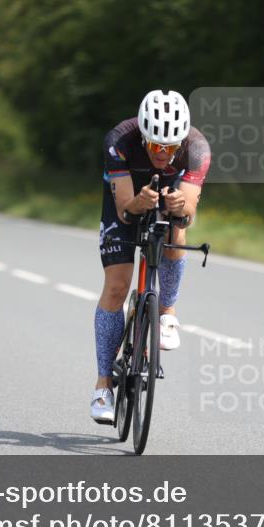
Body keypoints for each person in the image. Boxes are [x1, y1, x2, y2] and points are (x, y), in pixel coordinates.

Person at [90, 90, 211, 423]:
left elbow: (187, 212)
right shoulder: (119, 141)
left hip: (170, 193)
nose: (164, 153)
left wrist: (178, 208)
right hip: (128, 195)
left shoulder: (197, 149)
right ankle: (103, 385)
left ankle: (167, 313)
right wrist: (138, 204)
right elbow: (124, 210)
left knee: (177, 231)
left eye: (171, 147)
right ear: (143, 135)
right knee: (116, 286)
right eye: (157, 145)